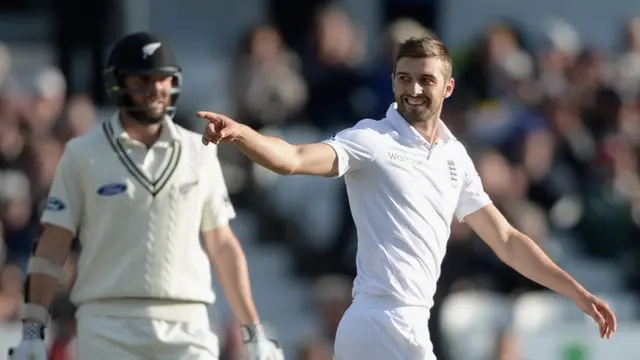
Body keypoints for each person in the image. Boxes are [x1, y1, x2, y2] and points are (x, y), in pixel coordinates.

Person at [197, 36, 617, 360]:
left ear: (448, 87)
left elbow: (506, 240)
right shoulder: (372, 139)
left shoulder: (455, 156)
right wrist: (242, 134)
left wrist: (576, 292)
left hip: (408, 321)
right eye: (404, 78)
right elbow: (293, 158)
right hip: (379, 320)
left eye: (426, 79)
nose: (413, 89)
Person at [9, 32, 283, 360]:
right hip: (107, 324)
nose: (155, 89)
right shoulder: (82, 155)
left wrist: (252, 330)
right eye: (143, 80)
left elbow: (222, 245)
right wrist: (32, 329)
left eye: (163, 79)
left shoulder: (201, 151)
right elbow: (52, 245)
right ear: (117, 83)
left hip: (188, 323)